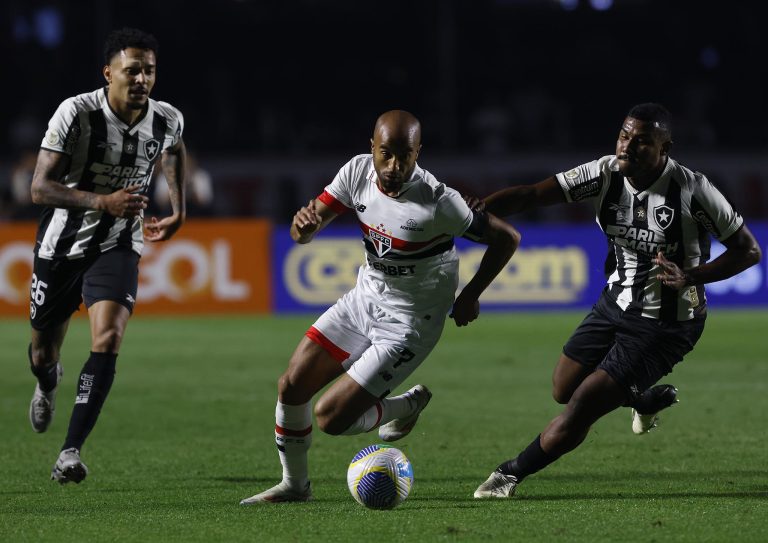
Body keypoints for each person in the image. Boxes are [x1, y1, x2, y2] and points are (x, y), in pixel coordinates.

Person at [471, 103, 761, 499]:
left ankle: (508, 476)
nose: (627, 147)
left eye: (642, 142)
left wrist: (691, 275)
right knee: (562, 389)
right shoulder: (604, 173)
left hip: (666, 324)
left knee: (581, 408)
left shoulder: (693, 190)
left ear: (665, 149)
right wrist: (477, 209)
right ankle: (642, 399)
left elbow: (749, 251)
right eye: (624, 136)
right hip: (615, 302)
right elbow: (531, 195)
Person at [240, 110, 521, 504]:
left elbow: (507, 237)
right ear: (371, 147)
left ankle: (405, 404)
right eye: (385, 153)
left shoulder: (440, 201)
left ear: (418, 152)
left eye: (404, 155)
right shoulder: (356, 172)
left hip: (409, 324)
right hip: (364, 299)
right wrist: (302, 229)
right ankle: (295, 485)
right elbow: (308, 226)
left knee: (331, 419)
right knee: (291, 386)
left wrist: (471, 294)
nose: (394, 166)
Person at [27, 27, 186, 484]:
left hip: (118, 243)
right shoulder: (76, 113)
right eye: (132, 70)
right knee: (42, 352)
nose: (141, 79)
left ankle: (69, 452)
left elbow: (174, 153)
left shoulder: (167, 118)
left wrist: (178, 209)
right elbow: (38, 188)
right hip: (62, 246)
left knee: (110, 336)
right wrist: (101, 201)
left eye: (149, 71)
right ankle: (45, 381)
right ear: (108, 73)